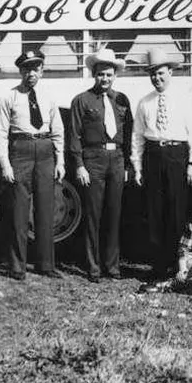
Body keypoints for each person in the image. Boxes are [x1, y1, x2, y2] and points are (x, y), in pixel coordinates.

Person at [0, 49, 64, 280]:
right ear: (20, 71)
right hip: (20, 151)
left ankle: (46, 265)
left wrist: (60, 159)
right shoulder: (9, 97)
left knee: (46, 208)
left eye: (35, 68)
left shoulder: (50, 97)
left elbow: (58, 131)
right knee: (19, 211)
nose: (31, 73)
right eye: (26, 69)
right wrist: (5, 165)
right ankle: (17, 266)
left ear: (42, 70)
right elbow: (0, 134)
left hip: (45, 151)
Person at [132, 49, 192, 278]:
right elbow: (137, 137)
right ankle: (158, 264)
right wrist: (138, 167)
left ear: (170, 72)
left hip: (177, 156)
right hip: (153, 155)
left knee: (176, 210)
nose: (157, 78)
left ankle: (177, 262)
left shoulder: (184, 99)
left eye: (161, 73)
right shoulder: (144, 102)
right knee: (155, 210)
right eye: (153, 74)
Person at [69, 48, 133, 283]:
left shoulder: (122, 100)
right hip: (93, 159)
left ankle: (112, 266)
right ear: (93, 75)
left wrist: (128, 164)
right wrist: (79, 165)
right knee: (93, 214)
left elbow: (129, 132)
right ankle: (93, 267)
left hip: (116, 159)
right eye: (100, 75)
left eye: (109, 75)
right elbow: (74, 135)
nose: (104, 79)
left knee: (114, 214)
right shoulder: (82, 100)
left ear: (115, 75)